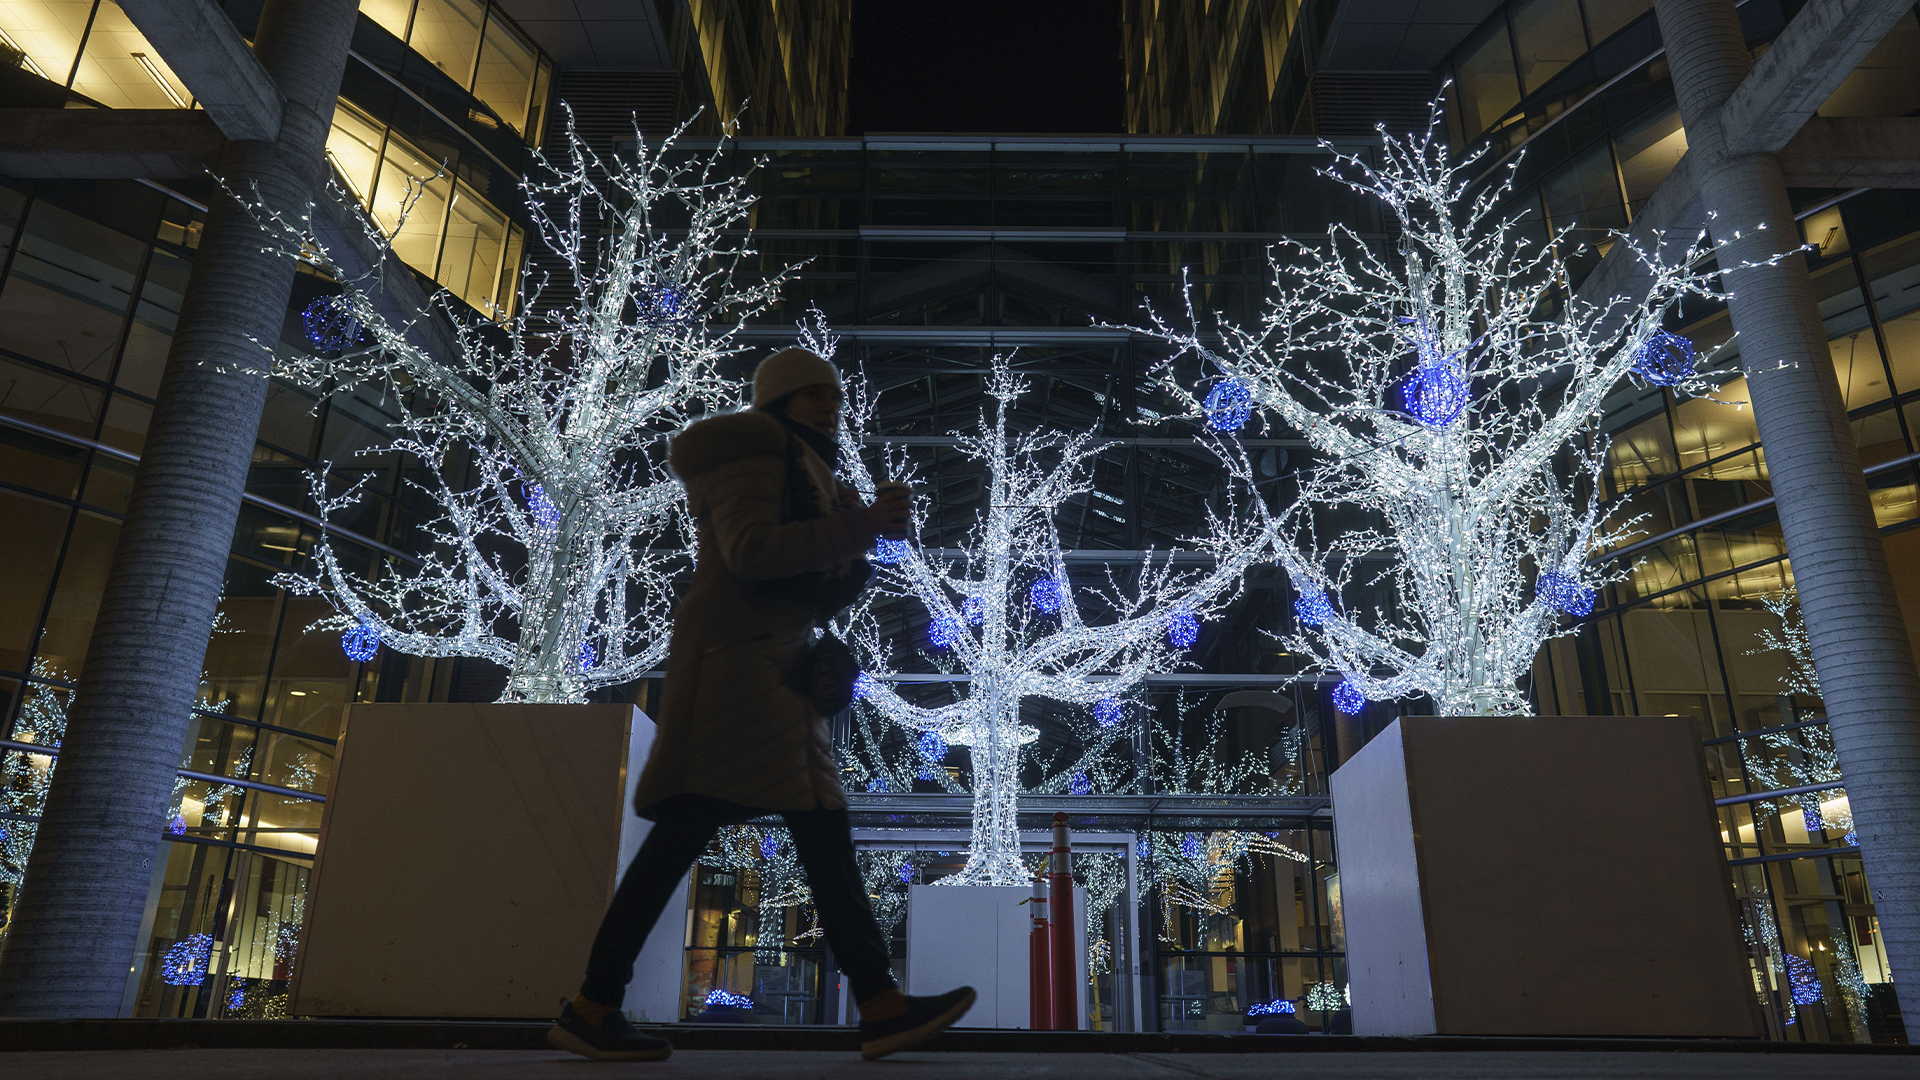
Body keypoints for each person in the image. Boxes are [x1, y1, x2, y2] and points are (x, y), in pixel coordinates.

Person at [547, 347, 975, 1062]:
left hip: (765, 668)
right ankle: (877, 1003)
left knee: (787, 831)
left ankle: (877, 1003)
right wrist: (859, 528)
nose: (827, 407)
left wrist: (861, 539)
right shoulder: (756, 451)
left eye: (833, 397)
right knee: (749, 831)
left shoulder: (804, 465)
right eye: (811, 395)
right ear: (777, 402)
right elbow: (749, 553)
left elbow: (808, 581)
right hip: (739, 670)